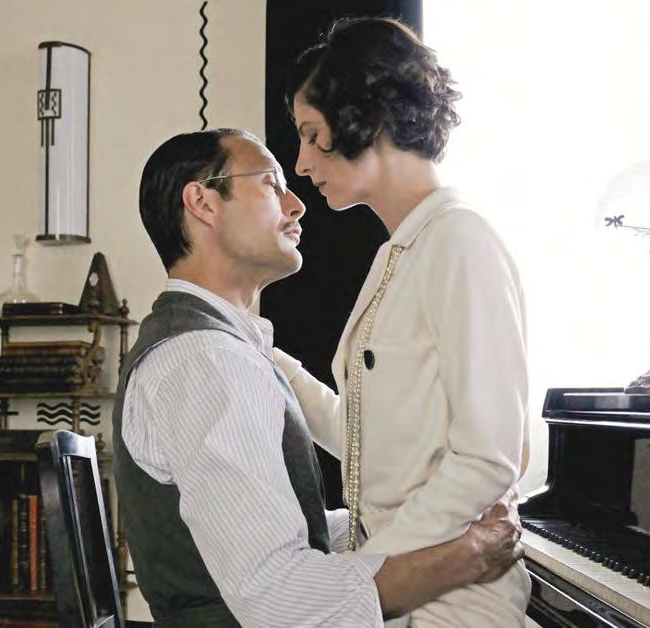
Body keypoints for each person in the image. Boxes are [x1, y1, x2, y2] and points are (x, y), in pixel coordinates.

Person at [111, 128, 524, 627]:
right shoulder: (207, 362)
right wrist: (465, 557)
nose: (297, 204)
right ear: (203, 203)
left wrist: (388, 522)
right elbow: (280, 598)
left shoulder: (208, 348)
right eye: (271, 184)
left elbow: (271, 535)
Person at [277, 17, 532, 626]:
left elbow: (490, 456)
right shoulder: (399, 251)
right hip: (402, 592)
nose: (302, 163)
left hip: (453, 602)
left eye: (312, 135)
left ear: (367, 119)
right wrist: (268, 359)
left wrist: (367, 571)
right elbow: (368, 444)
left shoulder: (460, 241)